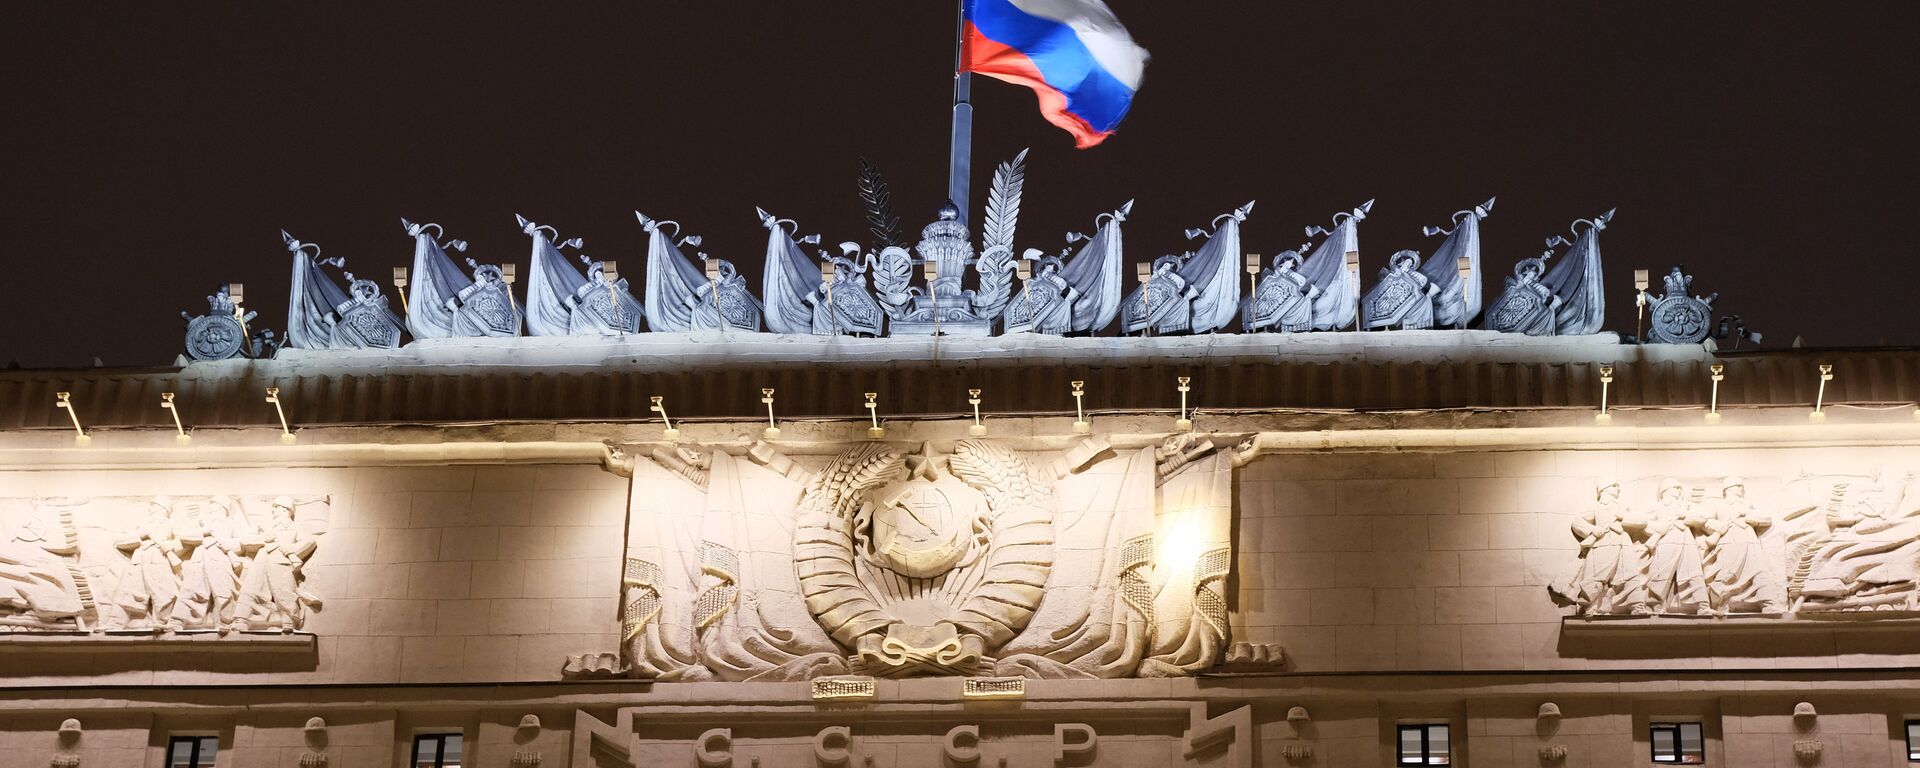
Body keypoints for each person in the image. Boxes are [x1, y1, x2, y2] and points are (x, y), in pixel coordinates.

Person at [1550, 480, 1648, 614]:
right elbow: (1577, 522)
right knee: (1597, 576)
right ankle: (1590, 607)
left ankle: (1637, 606)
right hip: (1604, 541)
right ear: (1605, 488)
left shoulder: (1623, 507)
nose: (1618, 489)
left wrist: (1623, 516)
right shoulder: (1596, 506)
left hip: (1623, 542)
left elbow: (1642, 520)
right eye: (1614, 485)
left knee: (1630, 575)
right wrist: (1592, 529)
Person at [1641, 479, 1711, 615]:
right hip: (1667, 539)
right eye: (1675, 488)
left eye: (1679, 489)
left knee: (1693, 572)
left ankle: (1701, 605)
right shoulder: (1658, 506)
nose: (1678, 491)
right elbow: (1643, 522)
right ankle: (1655, 605)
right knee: (1661, 572)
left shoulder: (1685, 507)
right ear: (1665, 490)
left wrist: (1685, 515)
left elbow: (1702, 518)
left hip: (1686, 540)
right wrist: (1658, 527)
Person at [1361, 250, 1438, 330]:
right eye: (1406, 261)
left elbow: (1421, 282)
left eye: (1409, 262)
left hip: (1408, 298)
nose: (1407, 263)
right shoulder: (1393, 274)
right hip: (1383, 307)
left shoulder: (1416, 277)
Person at [1483, 257, 1560, 335]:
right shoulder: (1517, 283)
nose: (1530, 275)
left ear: (1536, 277)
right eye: (1529, 273)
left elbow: (1541, 299)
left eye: (1532, 274)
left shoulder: (1542, 289)